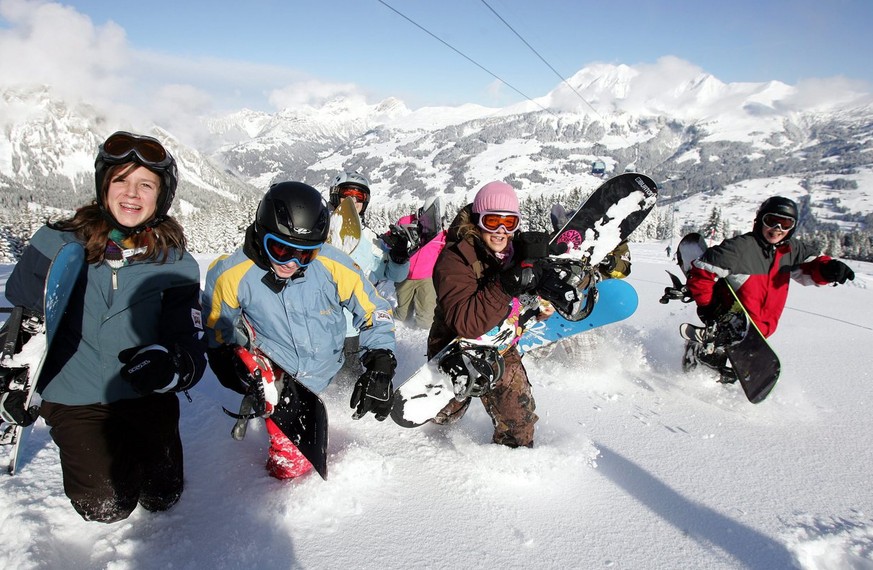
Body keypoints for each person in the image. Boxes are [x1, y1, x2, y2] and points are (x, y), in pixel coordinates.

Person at [1, 131, 206, 523]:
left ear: (161, 196)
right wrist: (13, 382)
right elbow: (22, 327)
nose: (132, 193)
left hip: (145, 392)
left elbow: (188, 341)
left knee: (163, 496)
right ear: (103, 186)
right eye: (121, 180)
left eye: (145, 184)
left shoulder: (175, 262)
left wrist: (173, 366)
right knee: (106, 507)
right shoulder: (54, 245)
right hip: (74, 395)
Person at [202, 181, 397, 480]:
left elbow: (374, 308)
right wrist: (232, 368)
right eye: (280, 249)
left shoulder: (332, 264)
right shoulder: (231, 274)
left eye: (305, 255)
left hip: (329, 367)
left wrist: (381, 360)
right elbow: (218, 333)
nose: (292, 263)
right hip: (282, 381)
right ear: (261, 232)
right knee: (292, 468)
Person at [427, 181, 554, 448]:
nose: (500, 231)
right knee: (446, 409)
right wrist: (506, 284)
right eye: (492, 221)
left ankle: (507, 472)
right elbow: (467, 322)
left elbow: (525, 295)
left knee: (519, 424)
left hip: (501, 345)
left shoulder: (517, 253)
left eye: (509, 222)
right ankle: (437, 435)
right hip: (456, 345)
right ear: (477, 221)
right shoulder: (455, 259)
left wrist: (539, 301)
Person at [687, 195, 855, 341]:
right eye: (771, 221)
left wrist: (829, 269)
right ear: (760, 221)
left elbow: (812, 265)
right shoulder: (740, 248)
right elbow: (702, 271)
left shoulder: (792, 250)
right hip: (732, 323)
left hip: (763, 330)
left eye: (785, 223)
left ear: (792, 227)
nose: (777, 229)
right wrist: (706, 307)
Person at [329, 171, 408, 376]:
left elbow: (393, 275)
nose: (353, 202)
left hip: (352, 325)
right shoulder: (320, 229)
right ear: (336, 195)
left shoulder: (369, 239)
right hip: (320, 321)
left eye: (360, 197)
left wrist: (399, 258)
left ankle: (343, 405)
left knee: (349, 374)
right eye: (348, 194)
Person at [392, 196, 448, 329]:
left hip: (427, 278)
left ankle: (420, 341)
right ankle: (397, 330)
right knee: (402, 315)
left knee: (426, 319)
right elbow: (392, 238)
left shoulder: (442, 233)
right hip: (405, 274)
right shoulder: (406, 222)